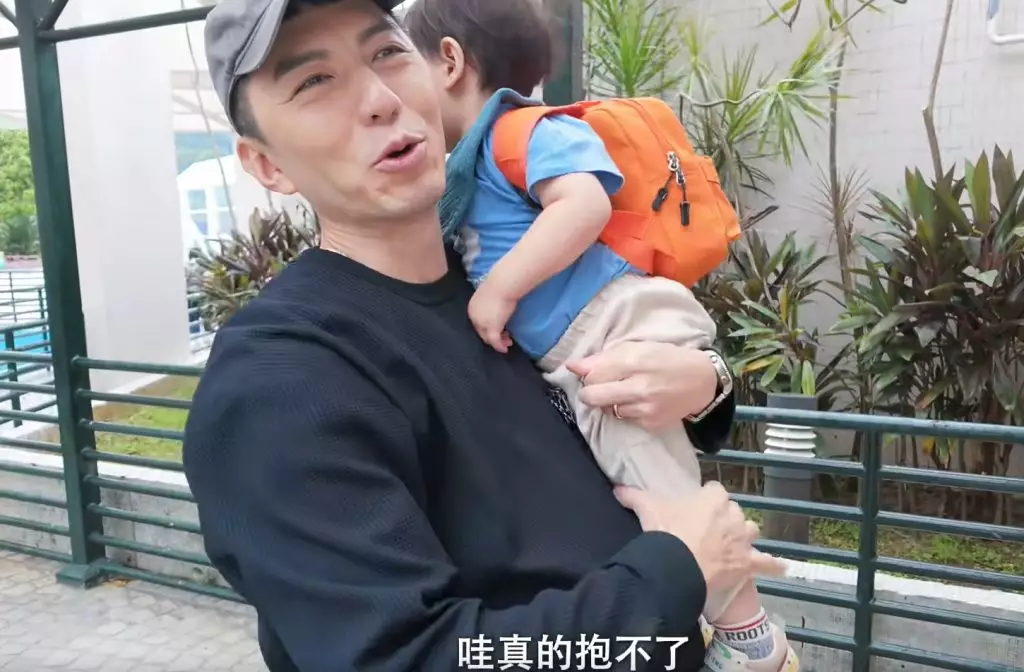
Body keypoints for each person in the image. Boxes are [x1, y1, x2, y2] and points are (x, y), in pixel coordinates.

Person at [183, 1, 786, 671]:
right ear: (267, 165)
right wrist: (675, 574)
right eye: (314, 81)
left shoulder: (505, 281)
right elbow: (411, 657)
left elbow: (618, 390)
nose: (381, 99)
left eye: (387, 53)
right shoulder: (281, 380)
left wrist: (706, 384)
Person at [402, 2, 797, 671]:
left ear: (448, 61)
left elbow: (584, 204)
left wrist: (500, 290)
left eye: (400, 63)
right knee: (642, 481)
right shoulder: (468, 163)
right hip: (585, 343)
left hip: (615, 320)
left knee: (660, 489)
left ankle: (752, 640)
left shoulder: (520, 130)